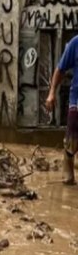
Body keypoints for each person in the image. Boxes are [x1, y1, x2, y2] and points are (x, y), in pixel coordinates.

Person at [46, 35, 78, 185]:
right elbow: (60, 69)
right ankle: (68, 174)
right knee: (72, 139)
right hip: (76, 100)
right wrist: (52, 92)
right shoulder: (75, 43)